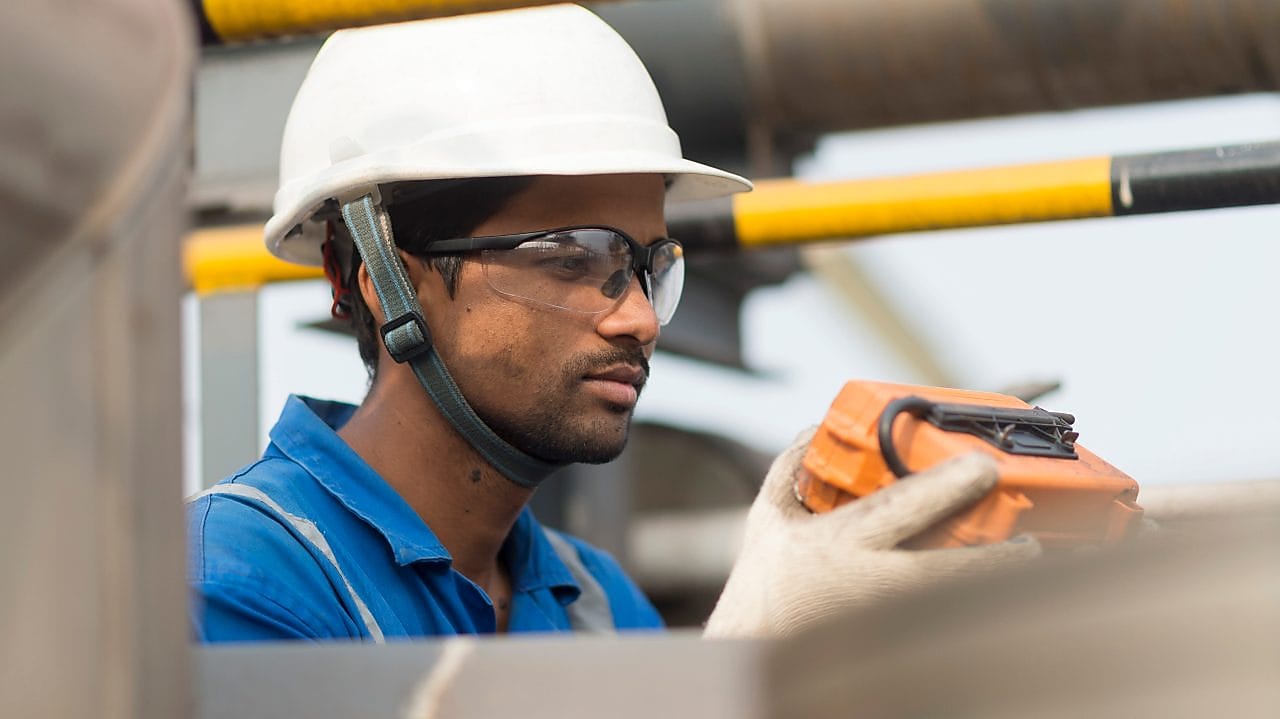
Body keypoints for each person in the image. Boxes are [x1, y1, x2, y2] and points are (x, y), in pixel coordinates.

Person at [188, 4, 1039, 642]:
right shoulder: (235, 578)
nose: (637, 317)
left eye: (646, 265)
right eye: (571, 255)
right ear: (374, 273)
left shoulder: (589, 598)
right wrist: (741, 659)